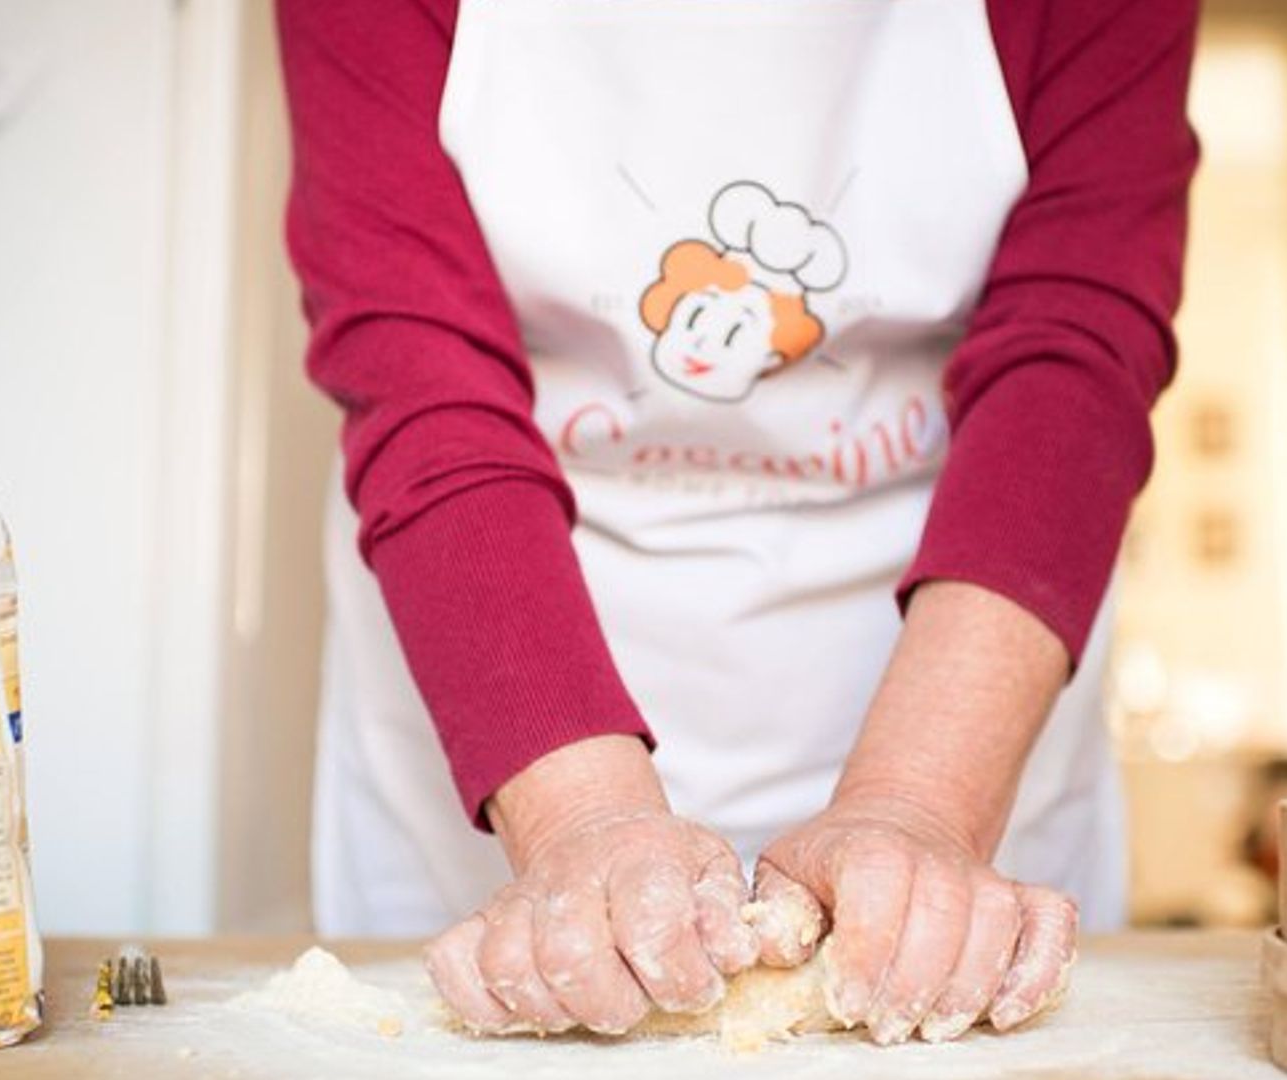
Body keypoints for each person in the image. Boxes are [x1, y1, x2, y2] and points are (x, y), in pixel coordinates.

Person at [277, 0, 1198, 1045]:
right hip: (512, 668)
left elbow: (1073, 349)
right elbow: (419, 370)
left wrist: (922, 804)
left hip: (947, 670)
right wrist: (581, 819)